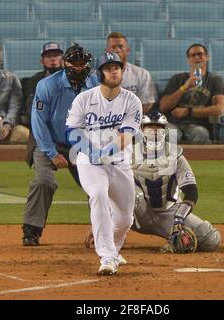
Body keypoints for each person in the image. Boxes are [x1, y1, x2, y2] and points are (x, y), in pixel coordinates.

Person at [84, 111, 222, 253]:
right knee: (128, 191)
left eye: (158, 127)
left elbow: (191, 192)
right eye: (150, 127)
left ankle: (176, 240)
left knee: (211, 240)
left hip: (169, 213)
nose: (154, 131)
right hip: (138, 213)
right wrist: (100, 224)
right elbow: (104, 186)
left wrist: (179, 220)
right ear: (141, 130)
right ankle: (115, 232)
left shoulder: (176, 156)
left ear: (165, 130)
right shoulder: (126, 153)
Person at [66, 52, 142, 275]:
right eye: (108, 67)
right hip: (89, 162)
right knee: (98, 193)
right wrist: (90, 151)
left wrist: (106, 152)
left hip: (119, 162)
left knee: (125, 218)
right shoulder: (84, 99)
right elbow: (71, 130)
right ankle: (107, 257)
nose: (114, 70)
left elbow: (127, 135)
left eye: (117, 67)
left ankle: (114, 251)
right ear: (100, 73)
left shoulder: (132, 101)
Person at [22, 44, 99, 246]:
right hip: (47, 140)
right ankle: (31, 230)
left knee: (99, 185)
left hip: (81, 143)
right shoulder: (47, 85)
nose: (80, 67)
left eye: (84, 63)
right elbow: (38, 123)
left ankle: (104, 231)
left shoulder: (95, 83)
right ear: (66, 63)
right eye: (75, 63)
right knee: (44, 180)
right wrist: (52, 152)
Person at [159, 43, 224, 144]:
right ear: (188, 60)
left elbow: (219, 110)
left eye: (200, 54)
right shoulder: (177, 79)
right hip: (174, 123)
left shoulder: (215, 80)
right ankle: (172, 160)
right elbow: (164, 106)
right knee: (168, 133)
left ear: (207, 57)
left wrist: (188, 111)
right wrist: (183, 88)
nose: (197, 57)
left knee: (201, 134)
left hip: (198, 125)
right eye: (193, 55)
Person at [106, 32, 157, 113]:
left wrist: (130, 118)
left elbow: (147, 104)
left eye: (121, 47)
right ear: (107, 51)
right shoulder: (97, 76)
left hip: (135, 119)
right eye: (113, 47)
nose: (117, 50)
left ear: (127, 50)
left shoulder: (143, 75)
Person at [21, 42, 64, 128]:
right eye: (48, 56)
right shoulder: (33, 81)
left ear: (62, 59)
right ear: (42, 61)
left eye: (56, 55)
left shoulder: (72, 79)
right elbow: (30, 107)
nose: (53, 59)